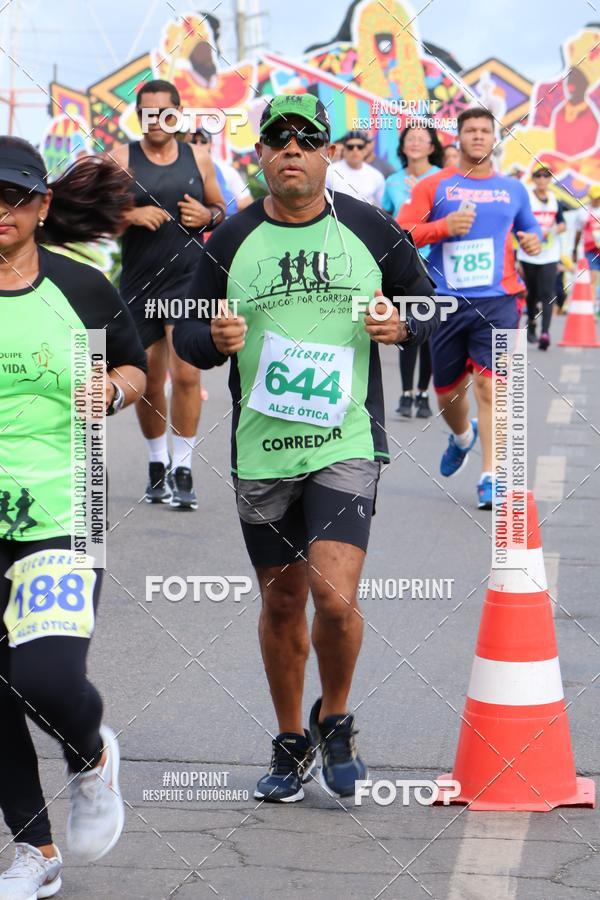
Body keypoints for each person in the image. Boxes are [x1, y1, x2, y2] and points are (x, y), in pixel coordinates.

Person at [173, 94, 439, 802]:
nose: (291, 149)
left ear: (327, 153)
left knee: (334, 597)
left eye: (306, 139)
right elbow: (187, 336)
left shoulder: (369, 227)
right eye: (277, 139)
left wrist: (400, 325)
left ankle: (337, 717)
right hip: (261, 449)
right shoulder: (229, 239)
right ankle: (292, 741)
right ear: (260, 155)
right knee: (285, 601)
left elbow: (429, 305)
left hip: (345, 439)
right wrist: (213, 339)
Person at [0, 137, 147, 897]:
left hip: (65, 504)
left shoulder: (81, 287)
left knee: (45, 676)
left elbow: (135, 366)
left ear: (42, 205)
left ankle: (90, 755)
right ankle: (35, 851)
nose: (1, 210)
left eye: (15, 197)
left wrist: (113, 390)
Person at [398, 107, 542, 509]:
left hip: (499, 300)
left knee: (491, 387)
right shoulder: (435, 185)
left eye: (484, 130)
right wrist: (443, 228)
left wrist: (533, 239)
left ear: (494, 138)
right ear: (458, 138)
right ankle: (463, 437)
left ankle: (491, 477)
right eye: (470, 130)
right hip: (445, 301)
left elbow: (530, 226)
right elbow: (402, 233)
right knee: (446, 393)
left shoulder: (512, 189)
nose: (478, 136)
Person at [110, 79, 225, 511]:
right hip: (139, 284)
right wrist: (130, 213)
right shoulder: (122, 158)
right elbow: (99, 215)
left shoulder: (198, 157)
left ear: (177, 113)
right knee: (150, 380)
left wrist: (207, 214)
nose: (154, 119)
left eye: (163, 111)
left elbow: (221, 208)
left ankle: (184, 468)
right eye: (146, 112)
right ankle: (158, 462)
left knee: (188, 375)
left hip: (187, 280)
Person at [383, 126, 444, 418]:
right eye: (411, 139)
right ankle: (406, 393)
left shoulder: (442, 178)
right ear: (403, 146)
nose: (416, 143)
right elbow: (386, 217)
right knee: (407, 325)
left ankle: (423, 393)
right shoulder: (392, 181)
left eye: (422, 139)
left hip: (434, 262)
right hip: (405, 262)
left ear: (432, 147)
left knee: (430, 330)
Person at [518, 166, 566, 349]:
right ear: (534, 179)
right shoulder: (527, 199)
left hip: (549, 254)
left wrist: (553, 230)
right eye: (538, 176)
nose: (542, 179)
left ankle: (545, 333)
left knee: (547, 292)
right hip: (529, 253)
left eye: (546, 176)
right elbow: (518, 222)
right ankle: (531, 322)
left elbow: (562, 223)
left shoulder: (555, 200)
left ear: (550, 179)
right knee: (532, 293)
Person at [189, 127, 253, 213]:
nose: (198, 145)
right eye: (194, 141)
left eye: (203, 141)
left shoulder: (225, 170)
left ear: (210, 144)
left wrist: (221, 207)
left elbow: (248, 201)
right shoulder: (183, 168)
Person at [325, 130, 385, 206]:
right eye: (350, 147)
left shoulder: (376, 176)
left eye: (360, 147)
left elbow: (381, 207)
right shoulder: (330, 171)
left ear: (365, 150)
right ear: (344, 150)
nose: (355, 150)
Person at [573, 184, 600, 308]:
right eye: (595, 197)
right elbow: (578, 233)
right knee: (592, 279)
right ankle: (592, 307)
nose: (597, 200)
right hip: (591, 251)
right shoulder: (582, 212)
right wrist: (574, 250)